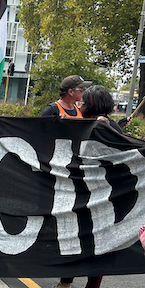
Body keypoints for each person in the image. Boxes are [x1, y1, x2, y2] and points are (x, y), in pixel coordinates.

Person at [53, 86, 111, 288]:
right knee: (84, 243)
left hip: (93, 195)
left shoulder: (102, 127)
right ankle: (69, 283)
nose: (80, 105)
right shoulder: (83, 123)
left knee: (84, 243)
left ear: (91, 105)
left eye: (84, 103)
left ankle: (69, 283)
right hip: (91, 195)